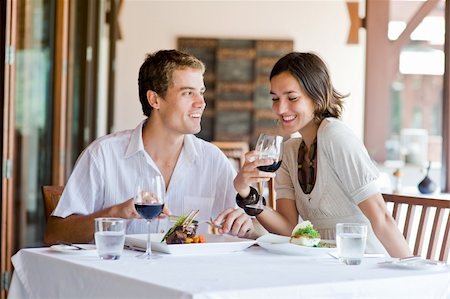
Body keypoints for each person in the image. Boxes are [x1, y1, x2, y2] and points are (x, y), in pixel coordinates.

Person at [44, 49, 254, 245]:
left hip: (192, 280)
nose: (201, 102)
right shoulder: (103, 155)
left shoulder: (213, 160)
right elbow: (55, 234)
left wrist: (244, 222)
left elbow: (253, 231)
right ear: (154, 99)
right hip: (120, 281)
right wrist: (117, 212)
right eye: (188, 93)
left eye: (201, 92)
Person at [231, 52, 412, 257]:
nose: (280, 108)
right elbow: (288, 228)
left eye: (292, 98)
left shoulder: (336, 135)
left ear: (317, 96)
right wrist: (245, 191)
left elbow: (381, 217)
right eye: (275, 98)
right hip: (321, 264)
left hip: (363, 261)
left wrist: (414, 271)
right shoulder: (289, 151)